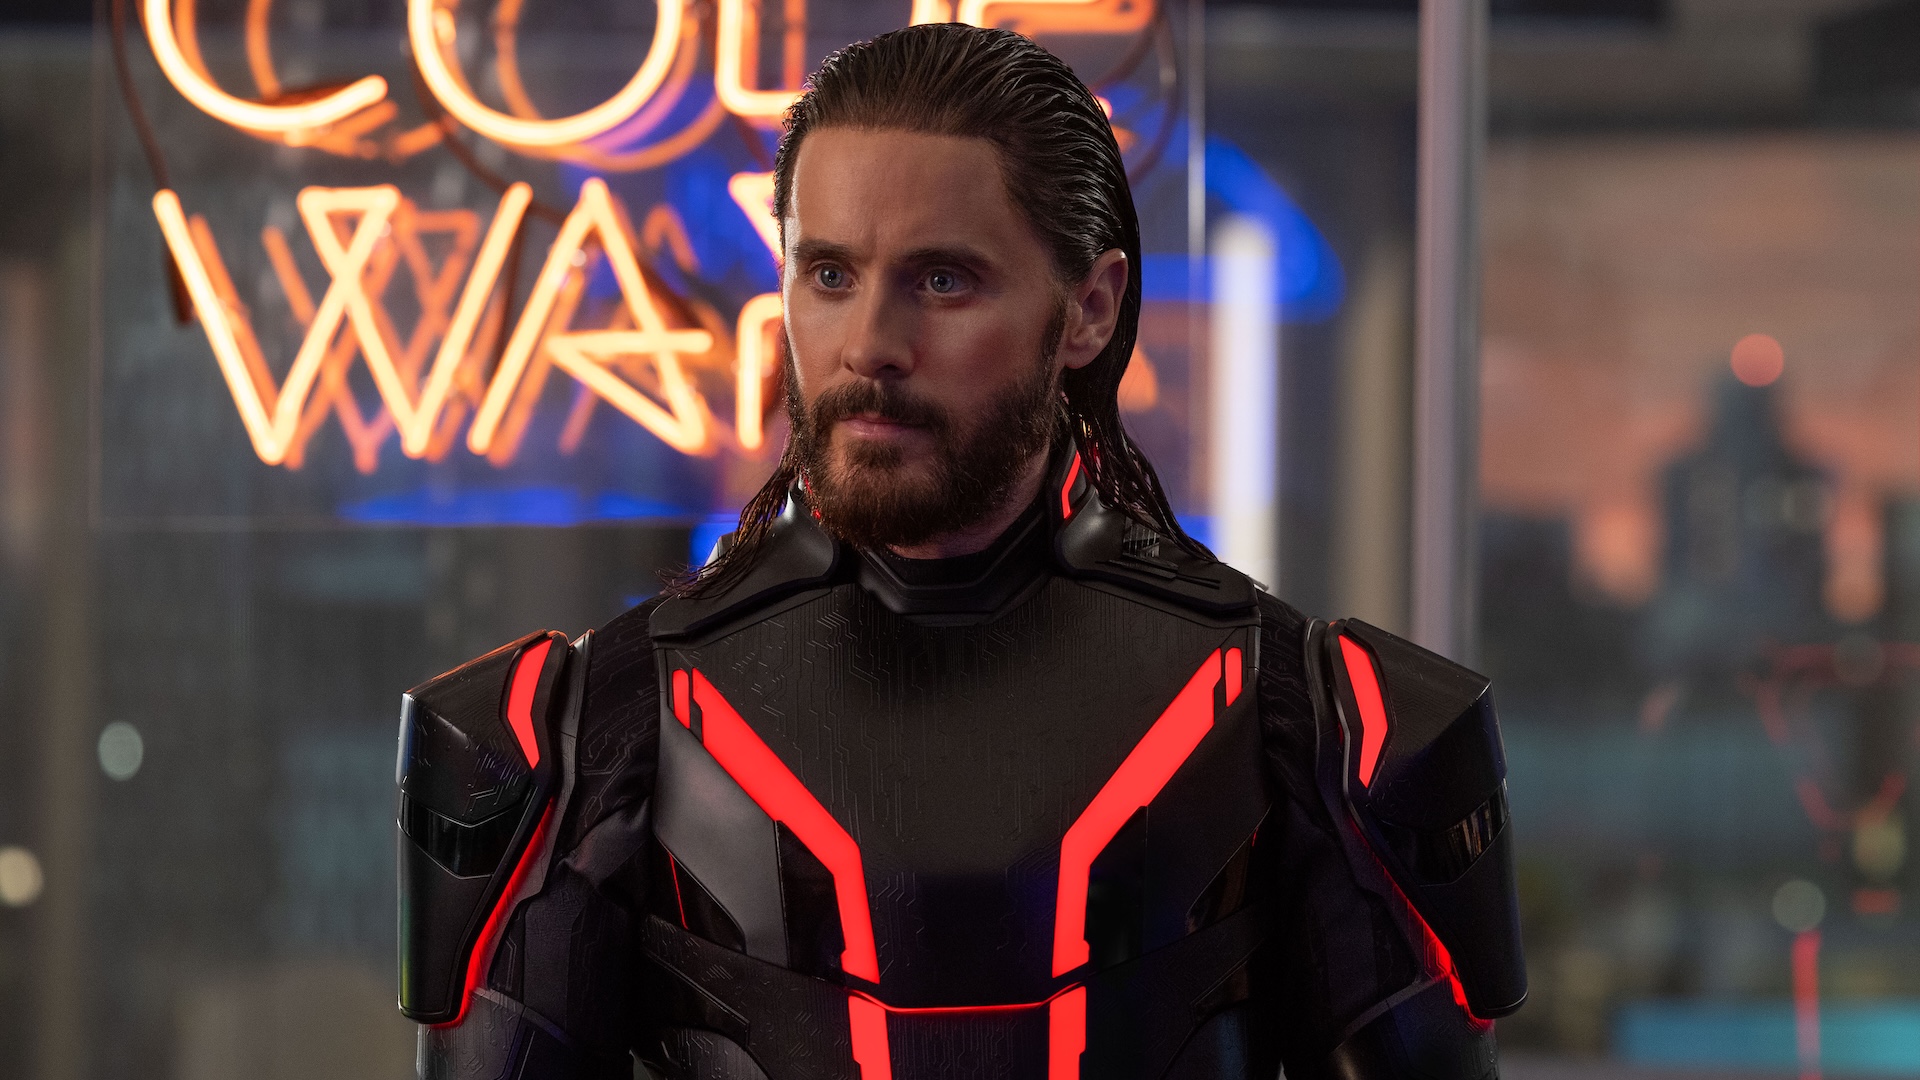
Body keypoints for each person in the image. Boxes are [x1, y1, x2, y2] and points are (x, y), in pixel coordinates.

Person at [394, 23, 1524, 1080]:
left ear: (1088, 311)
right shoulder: (576, 732)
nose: (870, 346)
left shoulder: (1324, 724)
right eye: (829, 275)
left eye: (942, 280)